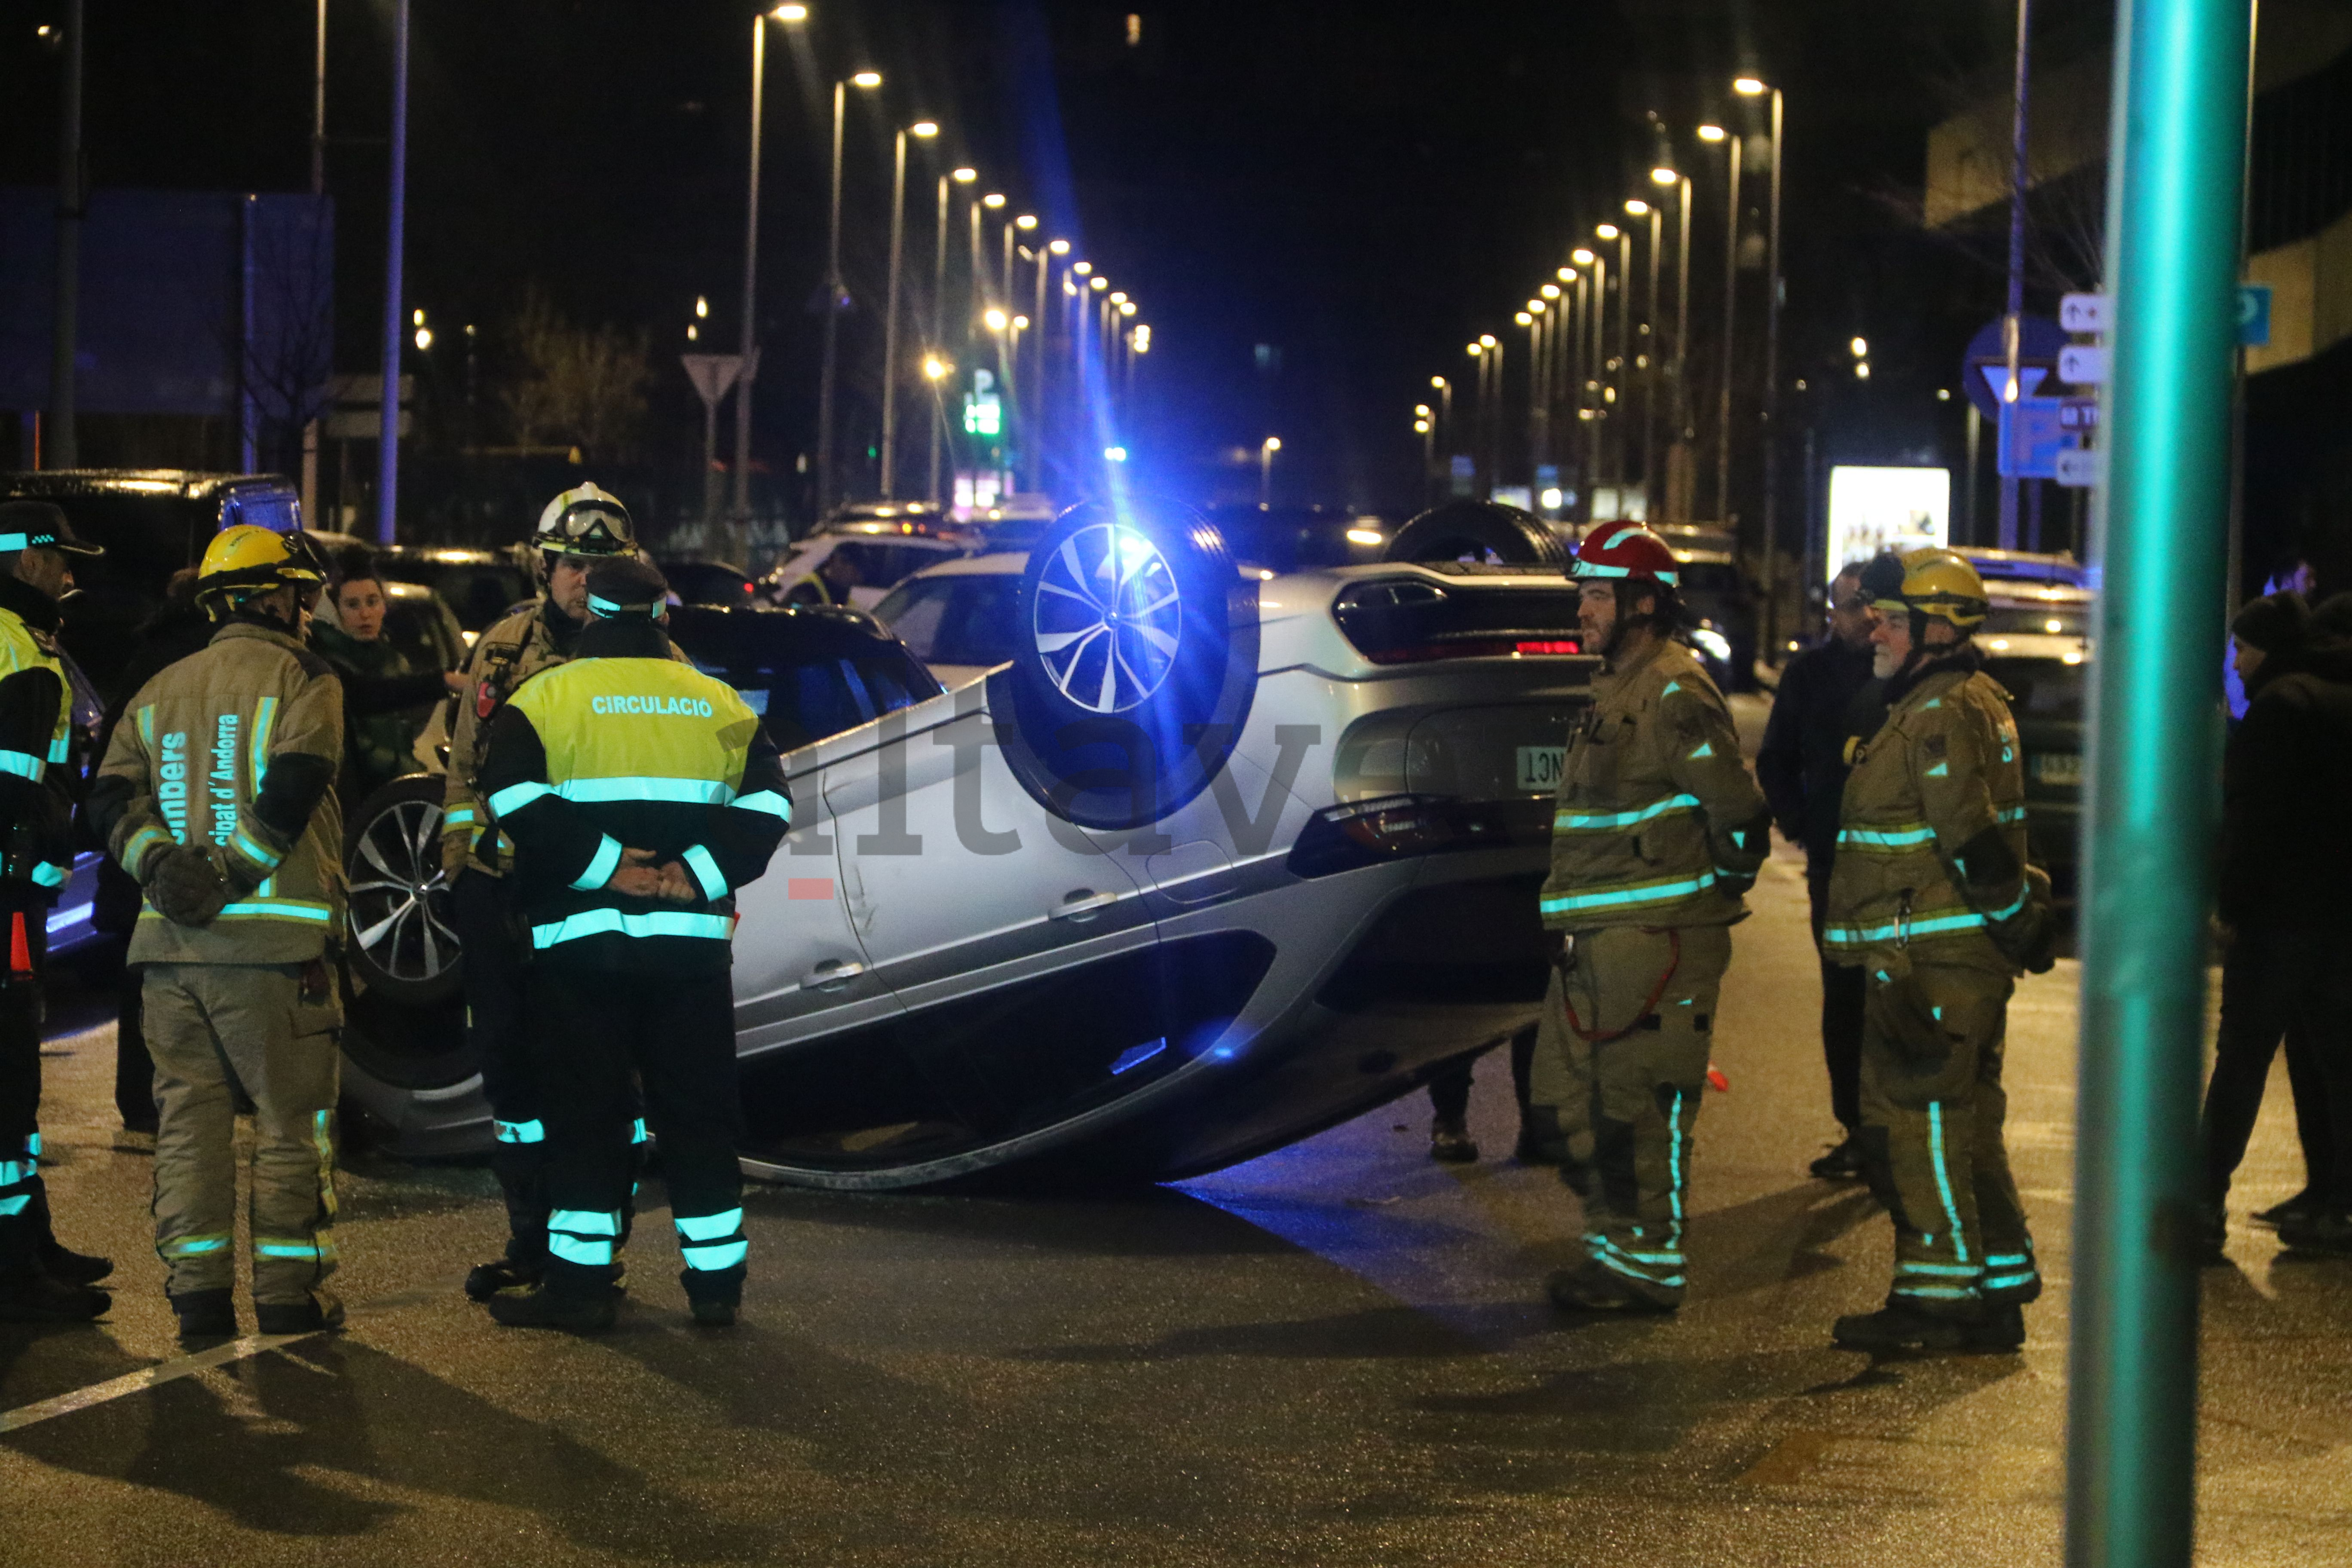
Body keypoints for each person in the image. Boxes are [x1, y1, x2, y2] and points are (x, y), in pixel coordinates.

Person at [475, 557, 790, 1331]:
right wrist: (692, 873)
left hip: (580, 951)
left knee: (586, 1115)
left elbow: (509, 792)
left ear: (592, 612)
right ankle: (716, 1285)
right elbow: (771, 803)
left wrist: (611, 868)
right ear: (663, 617)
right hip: (689, 953)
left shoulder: (545, 696)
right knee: (699, 1114)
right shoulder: (717, 702)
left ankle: (580, 1288)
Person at [87, 525, 347, 1342]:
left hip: (169, 954)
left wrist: (161, 867)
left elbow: (109, 799)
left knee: (189, 1128)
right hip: (273, 955)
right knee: (287, 1125)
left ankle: (197, 1297)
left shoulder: (160, 687)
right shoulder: (306, 677)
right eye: (303, 594)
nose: (308, 609)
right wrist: (231, 872)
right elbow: (294, 786)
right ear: (276, 595)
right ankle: (285, 1296)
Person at [1527, 522, 1773, 1315]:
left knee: (1639, 1105)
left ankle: (1647, 1264)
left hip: (1657, 940)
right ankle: (1613, 1251)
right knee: (1566, 1105)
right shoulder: (1614, 690)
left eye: (1596, 595)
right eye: (1583, 596)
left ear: (1642, 604)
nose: (1582, 611)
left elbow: (1740, 815)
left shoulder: (1674, 690)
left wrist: (1705, 896)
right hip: (1596, 942)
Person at [442, 484, 679, 1300]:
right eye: (574, 563)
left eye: (602, 565)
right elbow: (464, 770)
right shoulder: (504, 647)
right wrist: (463, 870)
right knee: (510, 1070)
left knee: (603, 1075)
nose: (585, 579)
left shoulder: (655, 655)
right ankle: (530, 1239)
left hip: (599, 897)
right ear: (543, 565)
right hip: (503, 892)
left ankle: (594, 1243)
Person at [1824, 547, 2054, 1355]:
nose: (1873, 630)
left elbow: (1972, 841)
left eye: (1889, 619)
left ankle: (1936, 1300)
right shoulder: (1960, 700)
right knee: (1964, 1127)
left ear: (1936, 626)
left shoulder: (1937, 713)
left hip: (1929, 967)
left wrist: (2019, 924)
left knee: (1914, 1128)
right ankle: (1996, 1288)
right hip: (1944, 962)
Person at [2204, 590, 2352, 1254]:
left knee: (2241, 1061)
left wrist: (2230, 906)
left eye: (2241, 647)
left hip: (2279, 920)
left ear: (2267, 648)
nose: (2234, 662)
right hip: (2339, 921)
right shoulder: (2338, 700)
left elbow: (2254, 824)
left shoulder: (2280, 709)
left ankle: (2202, 1203)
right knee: (2338, 1064)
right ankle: (2338, 1205)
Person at [0, 501, 114, 1323]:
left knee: (18, 1079)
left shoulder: (21, 640)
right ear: (25, 560)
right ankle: (14, 1270)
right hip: (4, 903)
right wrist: (42, 869)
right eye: (60, 560)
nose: (69, 576)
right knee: (7, 1079)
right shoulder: (18, 648)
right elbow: (19, 792)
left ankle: (29, 1237)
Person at [1756, 556, 1898, 1181]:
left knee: (1893, 1002)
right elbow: (1776, 760)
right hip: (1836, 869)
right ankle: (1859, 1130)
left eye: (1870, 606)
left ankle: (1893, 1132)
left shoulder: (1902, 672)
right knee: (1844, 999)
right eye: (1848, 606)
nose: (1860, 618)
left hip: (1897, 873)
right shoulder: (1810, 675)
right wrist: (1804, 827)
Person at [90, 568, 215, 1136]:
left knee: (140, 983)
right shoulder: (199, 665)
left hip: (140, 855)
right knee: (171, 989)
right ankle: (152, 1104)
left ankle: (140, 1103)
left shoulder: (147, 661)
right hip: (174, 853)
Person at [311, 547, 462, 803]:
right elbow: (368, 698)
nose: (365, 614)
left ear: (384, 606)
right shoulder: (327, 659)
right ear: (336, 611)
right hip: (355, 798)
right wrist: (443, 681)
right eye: (352, 605)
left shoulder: (393, 660)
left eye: (372, 602)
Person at [779, 548, 863, 607]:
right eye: (854, 569)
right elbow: (791, 614)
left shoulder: (848, 600)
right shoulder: (808, 589)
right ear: (835, 562)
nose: (857, 575)